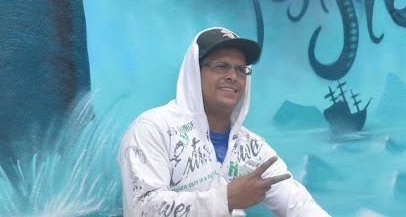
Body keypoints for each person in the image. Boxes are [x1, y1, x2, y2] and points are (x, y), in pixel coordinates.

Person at [119, 27, 330, 216]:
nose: (233, 76)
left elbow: (298, 205)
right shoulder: (153, 129)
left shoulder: (253, 147)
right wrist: (225, 200)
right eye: (221, 66)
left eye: (241, 69)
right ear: (195, 72)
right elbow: (143, 208)